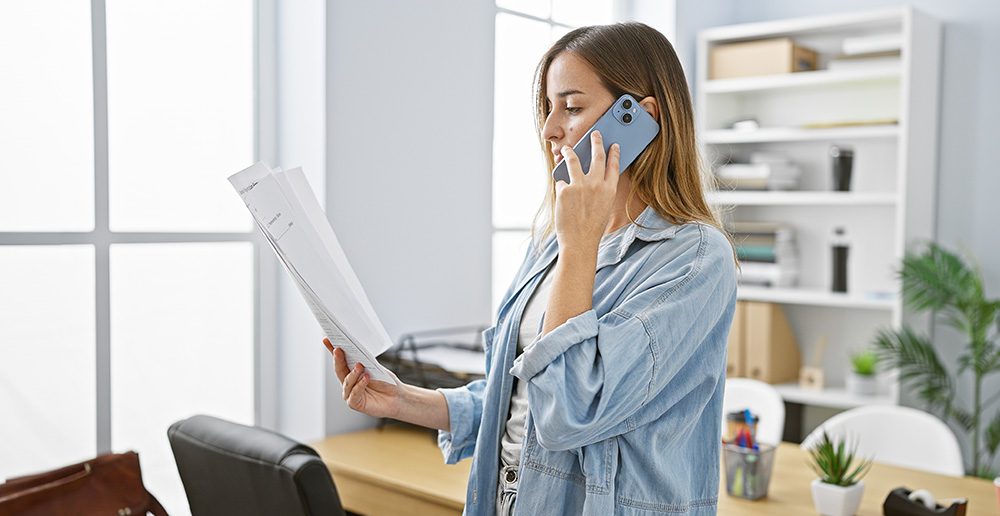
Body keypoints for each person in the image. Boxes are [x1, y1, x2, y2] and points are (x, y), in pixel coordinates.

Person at [325, 22, 738, 515]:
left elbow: (570, 412)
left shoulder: (695, 259)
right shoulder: (551, 245)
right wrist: (401, 401)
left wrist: (579, 244)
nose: (549, 129)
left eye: (572, 106)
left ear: (641, 117)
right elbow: (520, 404)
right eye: (548, 108)